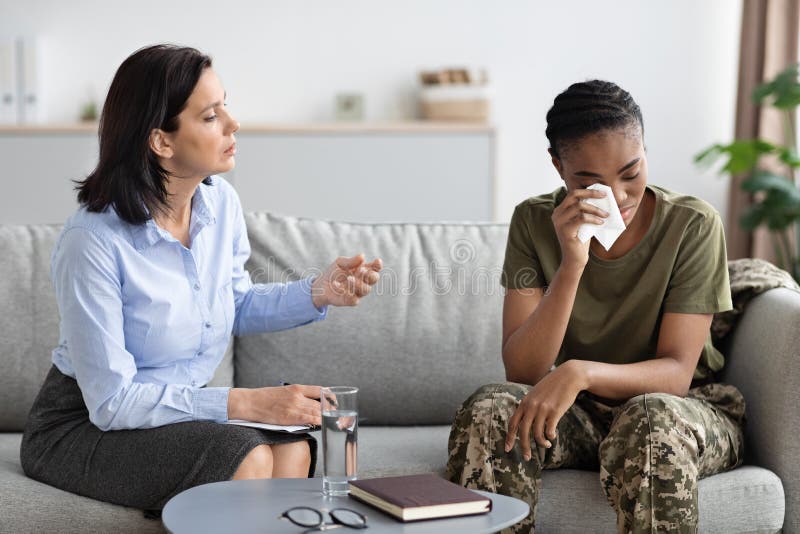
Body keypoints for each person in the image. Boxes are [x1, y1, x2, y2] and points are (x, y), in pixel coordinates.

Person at [19, 44, 382, 512]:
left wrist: (318, 291)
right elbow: (111, 403)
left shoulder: (219, 203)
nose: (232, 124)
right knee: (246, 458)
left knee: (293, 449)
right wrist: (246, 403)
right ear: (161, 141)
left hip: (173, 414)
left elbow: (232, 305)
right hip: (83, 423)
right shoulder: (92, 242)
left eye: (224, 105)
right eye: (210, 116)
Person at [446, 80, 745, 533]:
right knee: (493, 408)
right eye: (590, 182)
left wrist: (580, 370)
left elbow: (677, 372)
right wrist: (571, 266)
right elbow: (524, 371)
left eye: (631, 172)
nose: (619, 197)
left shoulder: (693, 224)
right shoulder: (533, 221)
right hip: (578, 414)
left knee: (650, 419)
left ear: (645, 149)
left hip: (678, 410)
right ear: (558, 167)